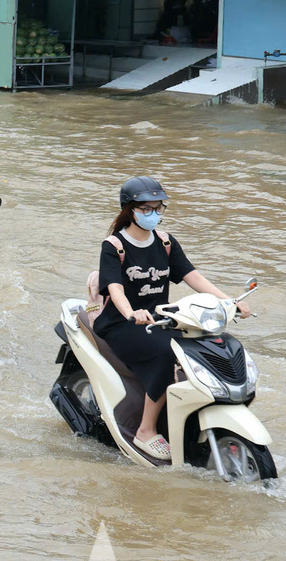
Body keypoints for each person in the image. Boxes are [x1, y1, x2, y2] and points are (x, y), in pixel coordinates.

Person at [92, 176, 250, 463]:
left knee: (213, 346)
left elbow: (193, 276)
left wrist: (230, 302)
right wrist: (131, 313)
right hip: (123, 324)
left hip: (162, 320)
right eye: (146, 208)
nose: (153, 214)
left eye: (158, 208)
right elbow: (114, 288)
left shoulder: (165, 242)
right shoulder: (114, 246)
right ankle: (145, 429)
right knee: (166, 355)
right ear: (130, 210)